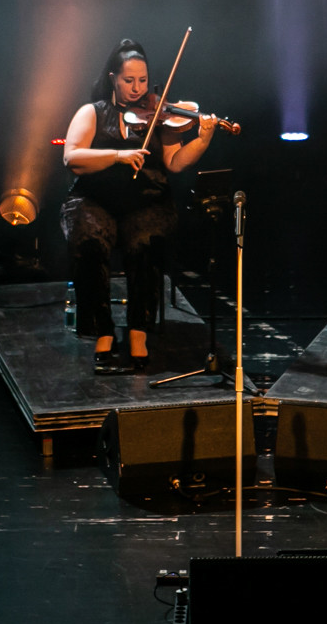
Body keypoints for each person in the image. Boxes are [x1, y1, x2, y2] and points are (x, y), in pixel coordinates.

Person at [61, 39, 219, 374]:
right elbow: (72, 157)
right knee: (88, 241)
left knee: (146, 242)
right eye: (129, 80)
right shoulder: (92, 112)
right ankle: (102, 330)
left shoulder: (159, 113)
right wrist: (118, 155)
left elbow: (175, 163)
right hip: (95, 198)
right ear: (113, 78)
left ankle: (138, 330)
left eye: (143, 80)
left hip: (146, 200)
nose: (138, 88)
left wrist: (202, 139)